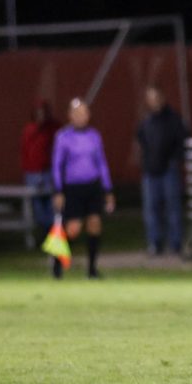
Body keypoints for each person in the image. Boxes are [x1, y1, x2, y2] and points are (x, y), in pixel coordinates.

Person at [51, 98, 114, 279]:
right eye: (77, 114)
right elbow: (57, 165)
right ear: (70, 116)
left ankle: (92, 269)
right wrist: (58, 190)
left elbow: (101, 163)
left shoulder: (94, 136)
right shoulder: (63, 137)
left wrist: (107, 189)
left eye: (84, 113)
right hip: (73, 188)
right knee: (73, 229)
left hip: (92, 186)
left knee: (94, 224)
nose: (81, 117)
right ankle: (57, 260)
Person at [136, 86, 189, 255]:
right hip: (150, 171)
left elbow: (181, 141)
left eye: (155, 98)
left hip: (169, 169)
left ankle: (176, 244)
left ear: (162, 98)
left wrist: (174, 160)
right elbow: (141, 141)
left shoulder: (173, 119)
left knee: (173, 208)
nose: (153, 102)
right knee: (151, 209)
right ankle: (155, 243)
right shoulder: (146, 121)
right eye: (149, 99)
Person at [20, 99, 60, 240]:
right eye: (38, 112)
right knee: (37, 204)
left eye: (43, 112)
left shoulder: (53, 129)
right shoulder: (29, 130)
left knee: (51, 203)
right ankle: (44, 230)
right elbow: (27, 151)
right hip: (33, 172)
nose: (41, 115)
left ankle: (53, 232)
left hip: (48, 171)